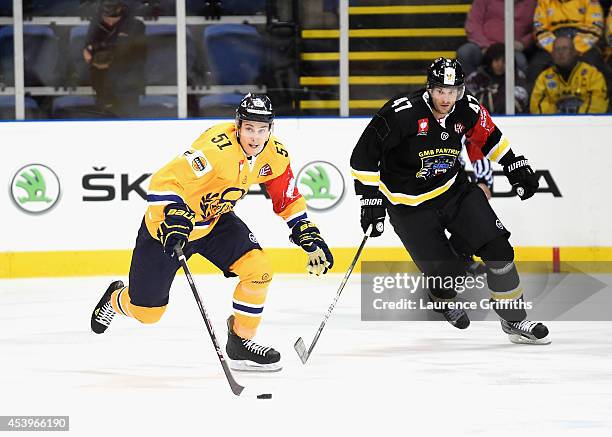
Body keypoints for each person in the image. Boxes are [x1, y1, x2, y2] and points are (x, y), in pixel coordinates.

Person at [90, 93, 334, 371]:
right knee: (147, 313)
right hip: (167, 230)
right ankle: (115, 298)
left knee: (259, 270)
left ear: (271, 129)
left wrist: (303, 229)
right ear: (238, 126)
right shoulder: (215, 150)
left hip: (215, 222)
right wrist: (175, 212)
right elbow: (163, 181)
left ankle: (240, 343)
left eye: (262, 129)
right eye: (249, 128)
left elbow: (287, 198)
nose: (255, 137)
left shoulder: (274, 155)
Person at [350, 57, 551, 345]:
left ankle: (515, 320)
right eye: (440, 91)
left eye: (452, 91)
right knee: (449, 276)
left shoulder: (467, 108)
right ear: (429, 88)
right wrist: (370, 200)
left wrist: (514, 165)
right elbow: (363, 156)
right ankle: (440, 293)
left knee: (499, 250)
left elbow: (490, 137)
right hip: (409, 207)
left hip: (454, 192)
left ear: (460, 89)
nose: (446, 98)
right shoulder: (402, 113)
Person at [83, 0, 147, 117]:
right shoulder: (97, 26)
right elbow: (88, 52)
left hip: (127, 87)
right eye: (107, 19)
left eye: (113, 18)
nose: (110, 22)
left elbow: (134, 54)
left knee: (128, 120)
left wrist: (103, 48)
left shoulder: (136, 26)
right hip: (103, 87)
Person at [529, 0, 606, 86]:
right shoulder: (544, 2)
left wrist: (576, 48)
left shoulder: (590, 1)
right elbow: (539, 29)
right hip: (552, 41)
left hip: (583, 40)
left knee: (595, 63)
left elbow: (594, 27)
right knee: (536, 66)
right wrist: (555, 49)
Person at [530, 36, 609, 113]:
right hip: (555, 125)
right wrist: (560, 117)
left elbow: (598, 103)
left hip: (587, 124)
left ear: (574, 52)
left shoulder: (592, 74)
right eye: (557, 49)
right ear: (552, 54)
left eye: (565, 48)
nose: (560, 52)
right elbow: (536, 107)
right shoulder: (543, 78)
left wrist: (576, 118)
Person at [457, 0, 537, 75]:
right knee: (465, 53)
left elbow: (537, 29)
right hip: (483, 47)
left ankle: (516, 89)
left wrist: (523, 43)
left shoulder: (532, 3)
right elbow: (473, 24)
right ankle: (471, 87)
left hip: (512, 49)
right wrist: (486, 46)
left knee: (520, 61)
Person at [465, 43, 530, 114]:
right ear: (489, 61)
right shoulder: (476, 77)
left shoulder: (517, 75)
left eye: (504, 61)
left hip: (511, 120)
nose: (500, 65)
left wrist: (493, 95)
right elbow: (468, 101)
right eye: (496, 60)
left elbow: (522, 98)